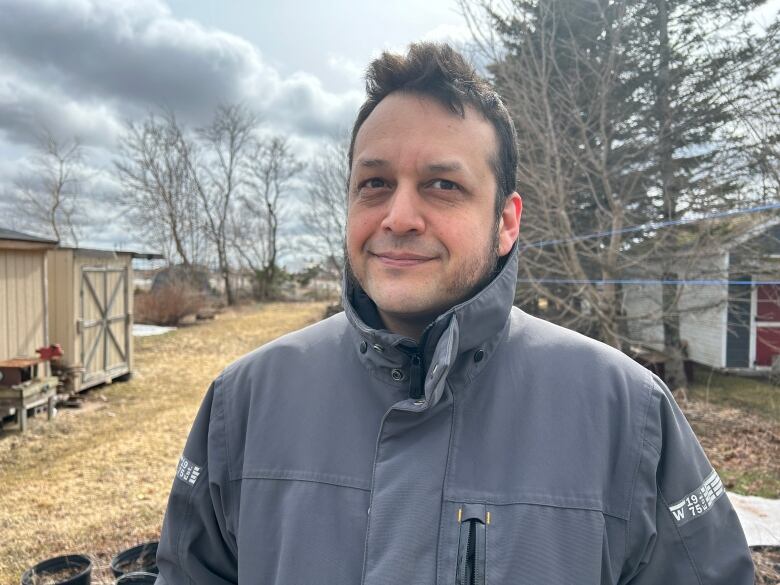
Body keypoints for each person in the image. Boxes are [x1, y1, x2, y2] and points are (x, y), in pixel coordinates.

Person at [155, 42, 754, 584]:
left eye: (442, 185)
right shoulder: (244, 404)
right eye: (375, 184)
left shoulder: (628, 414)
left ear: (507, 222)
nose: (399, 217)